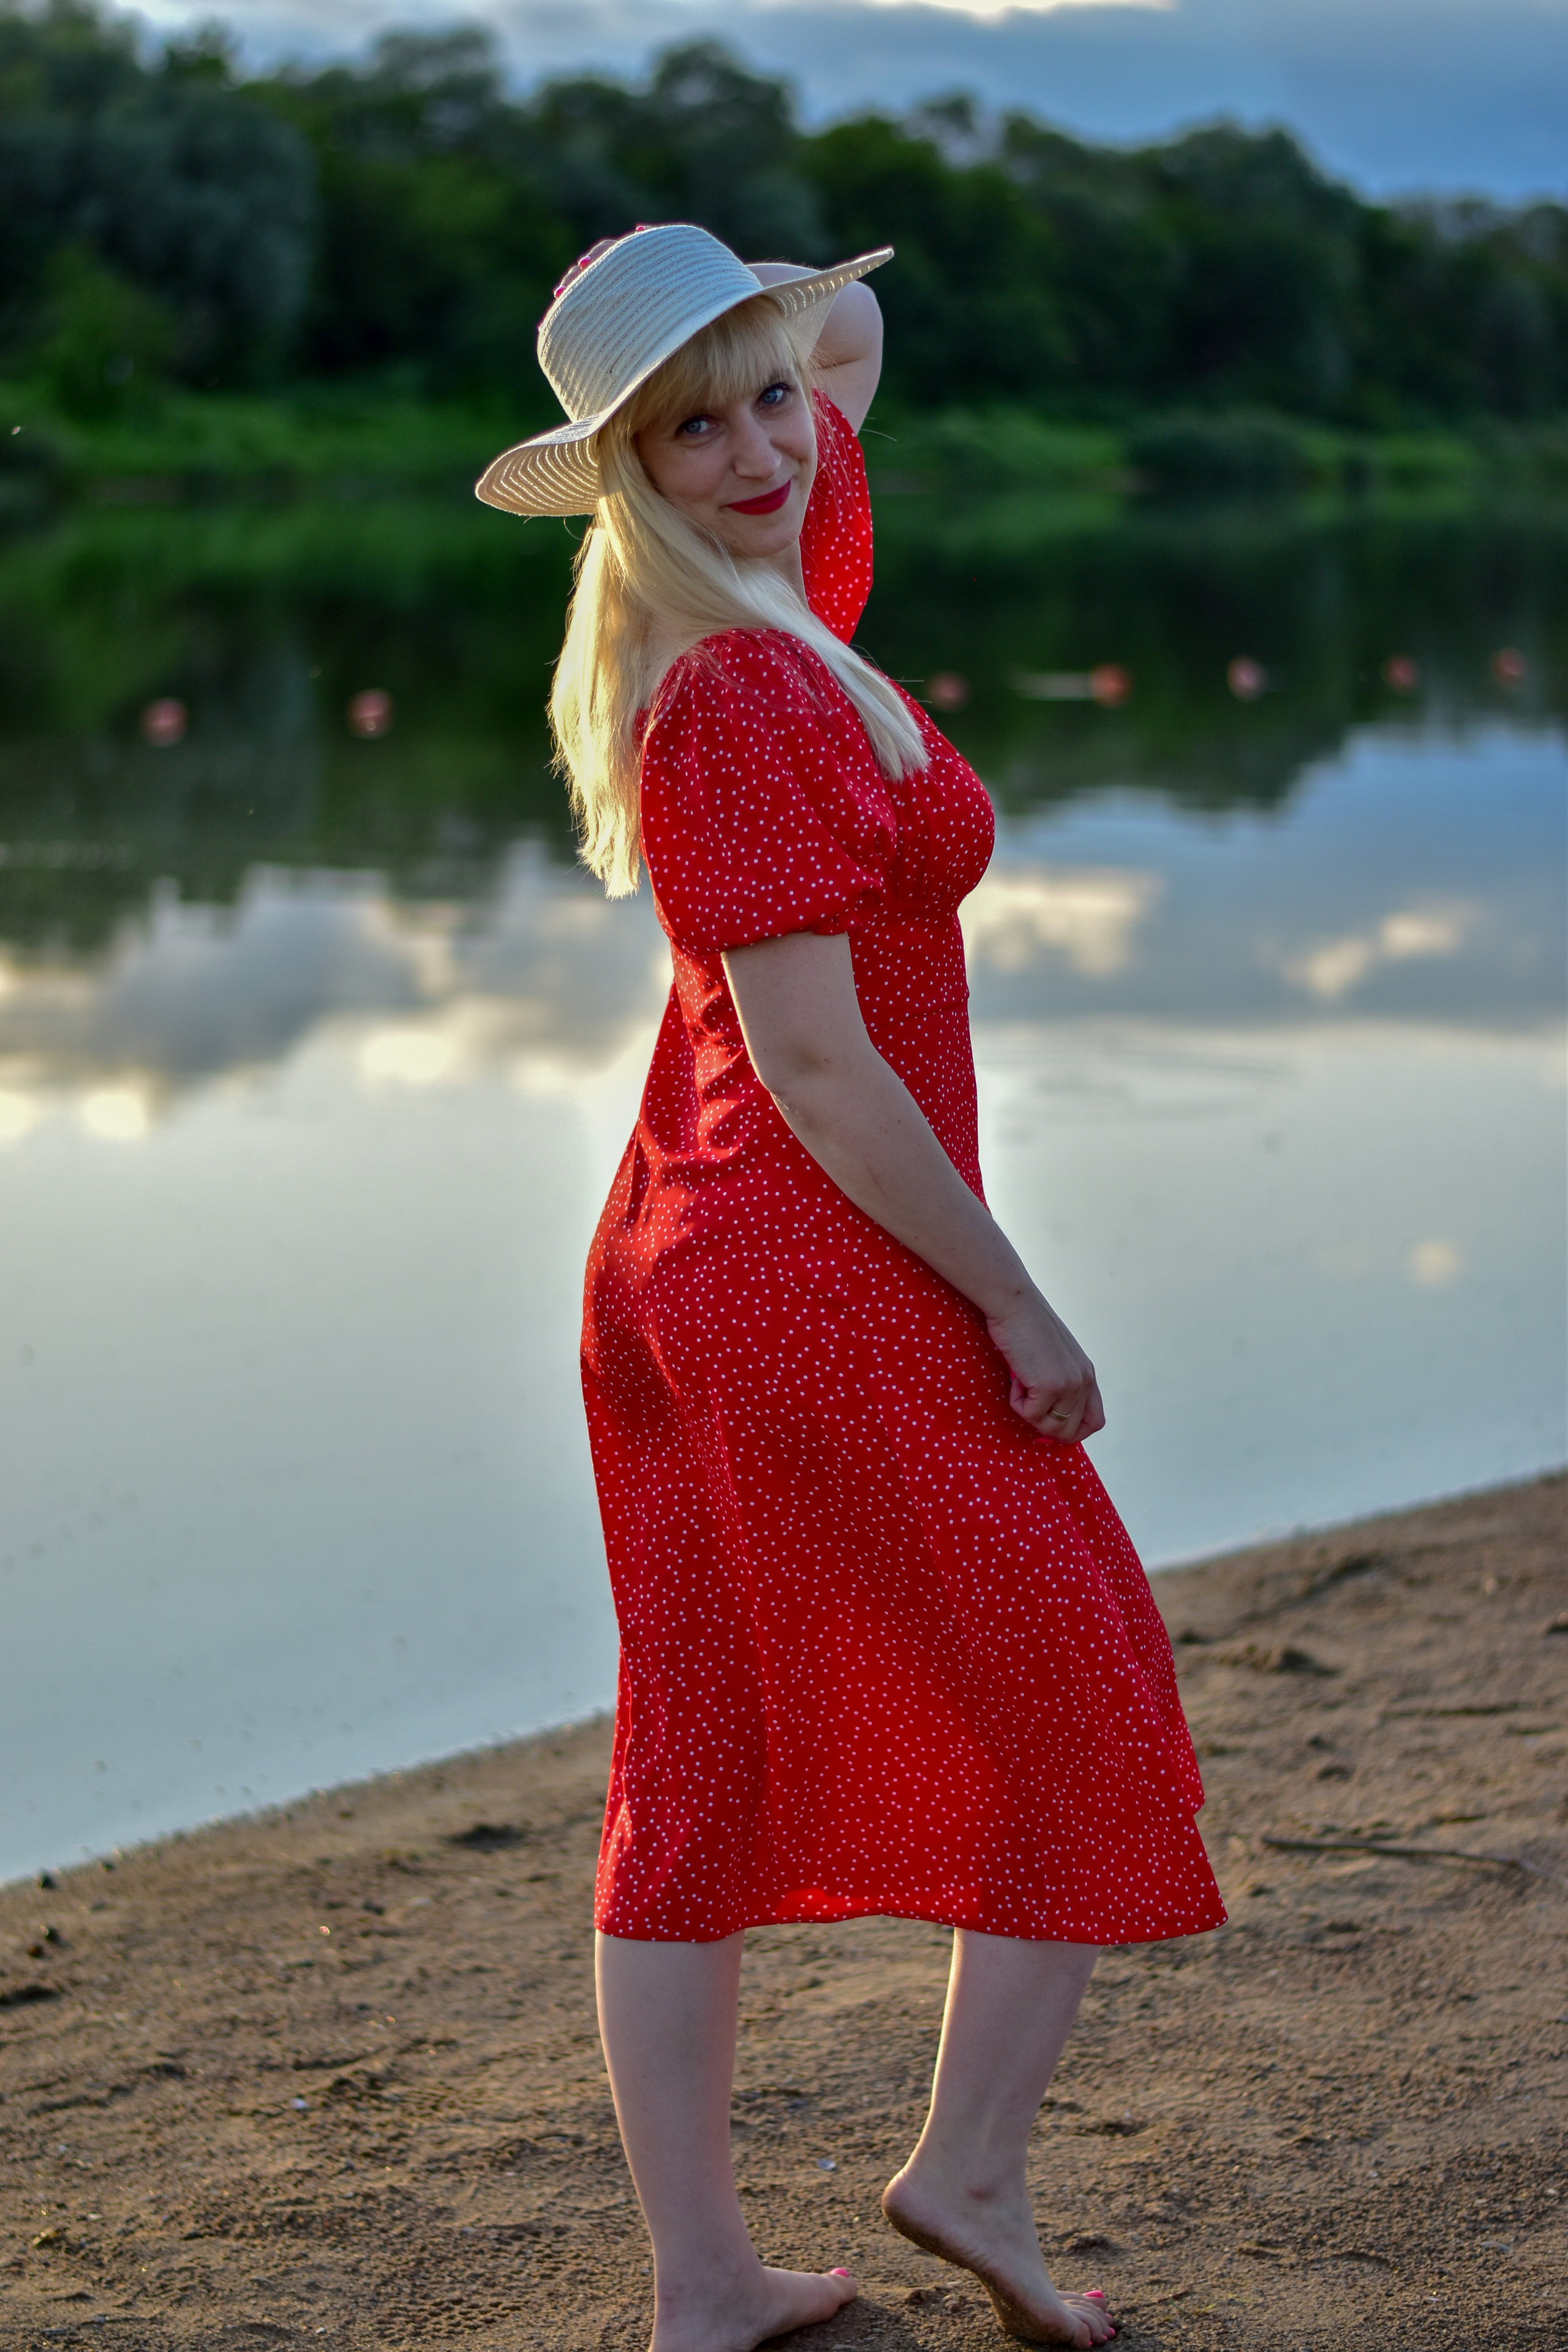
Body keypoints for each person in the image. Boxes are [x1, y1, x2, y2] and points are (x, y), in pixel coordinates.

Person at [477, 223, 1226, 2352]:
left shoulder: (777, 601)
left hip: (690, 1252)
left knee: (699, 1759)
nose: (758, 447)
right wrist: (1020, 1304)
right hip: (809, 1256)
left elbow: (852, 342)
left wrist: (737, 324)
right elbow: (819, 1064)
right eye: (688, 427)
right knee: (1078, 1686)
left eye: (770, 399)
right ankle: (964, 2171)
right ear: (623, 474)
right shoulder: (740, 684)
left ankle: (709, 2284)